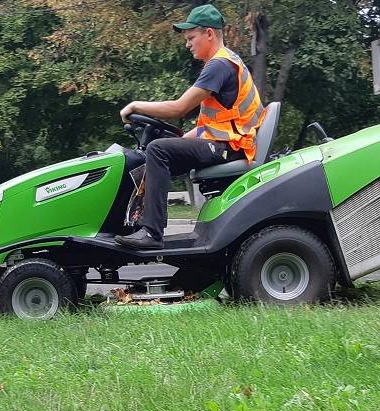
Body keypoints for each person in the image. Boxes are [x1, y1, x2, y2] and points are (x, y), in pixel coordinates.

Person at [114, 4, 266, 249]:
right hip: (228, 142)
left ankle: (151, 234)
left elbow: (178, 109)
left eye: (191, 37)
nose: (187, 44)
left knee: (157, 150)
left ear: (209, 34)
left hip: (231, 146)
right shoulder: (225, 62)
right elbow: (212, 124)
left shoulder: (219, 65)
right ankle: (133, 225)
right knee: (153, 158)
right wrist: (182, 139)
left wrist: (135, 106)